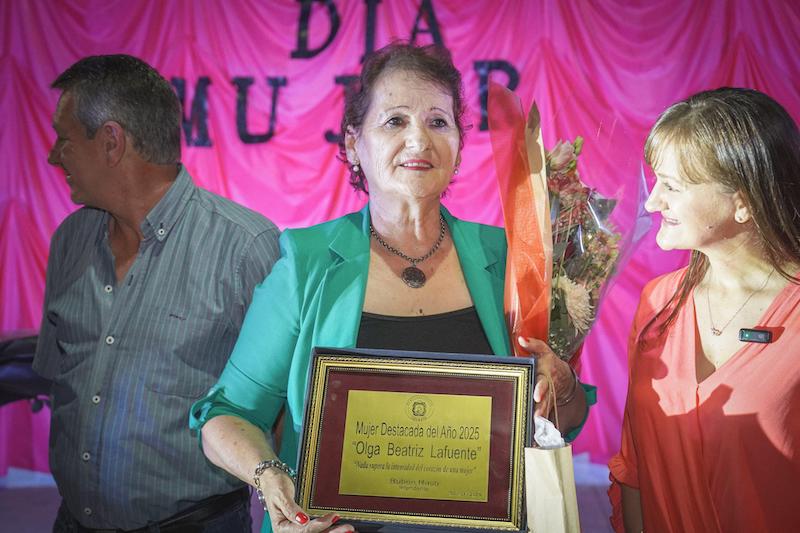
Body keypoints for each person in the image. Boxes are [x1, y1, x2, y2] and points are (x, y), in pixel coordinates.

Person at [190, 43, 596, 533]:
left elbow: (564, 420)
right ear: (353, 144)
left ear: (460, 147)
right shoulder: (308, 262)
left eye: (438, 122)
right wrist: (272, 478)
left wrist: (563, 386)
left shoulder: (510, 257)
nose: (419, 140)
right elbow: (225, 415)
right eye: (395, 121)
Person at [35, 55, 281, 532]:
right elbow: (56, 377)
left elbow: (286, 414)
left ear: (111, 142)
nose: (52, 155)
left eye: (65, 139)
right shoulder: (69, 240)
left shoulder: (245, 248)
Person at [608, 88, 800, 532]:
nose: (653, 202)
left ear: (744, 201)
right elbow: (634, 466)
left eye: (672, 187)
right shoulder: (658, 301)